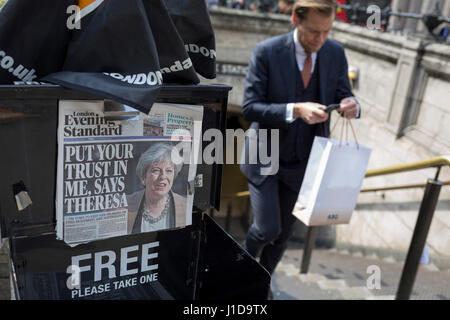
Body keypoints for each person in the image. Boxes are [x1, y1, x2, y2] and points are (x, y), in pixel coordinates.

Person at [240, 0, 360, 277]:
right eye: (314, 32)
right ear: (295, 19)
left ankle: (263, 282)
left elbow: (345, 91)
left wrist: (351, 103)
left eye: (327, 32)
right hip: (265, 155)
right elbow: (249, 108)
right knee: (267, 228)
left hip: (305, 161)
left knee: (283, 237)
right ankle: (242, 269)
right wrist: (295, 109)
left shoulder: (335, 53)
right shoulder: (267, 51)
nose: (320, 39)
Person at [127, 143, 186, 234]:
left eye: (169, 171)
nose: (163, 176)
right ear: (143, 176)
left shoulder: (185, 206)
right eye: (156, 170)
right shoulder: (124, 206)